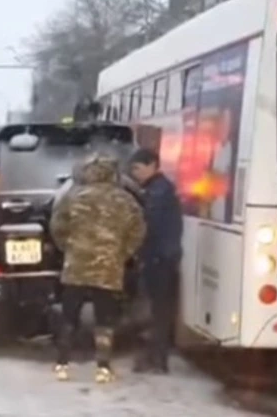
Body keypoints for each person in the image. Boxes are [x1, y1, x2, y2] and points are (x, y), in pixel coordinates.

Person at [50, 154, 146, 384]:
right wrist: (122, 254)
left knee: (69, 316)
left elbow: (57, 227)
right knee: (105, 319)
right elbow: (138, 231)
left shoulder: (72, 197)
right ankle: (103, 368)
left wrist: (69, 249)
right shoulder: (125, 200)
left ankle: (62, 364)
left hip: (76, 266)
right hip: (108, 268)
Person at [129, 148, 184, 374]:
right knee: (158, 311)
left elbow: (148, 227)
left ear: (152, 165)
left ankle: (157, 359)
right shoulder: (157, 189)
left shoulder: (158, 192)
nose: (135, 174)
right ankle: (155, 358)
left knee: (157, 311)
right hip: (161, 258)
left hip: (159, 260)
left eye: (137, 168)